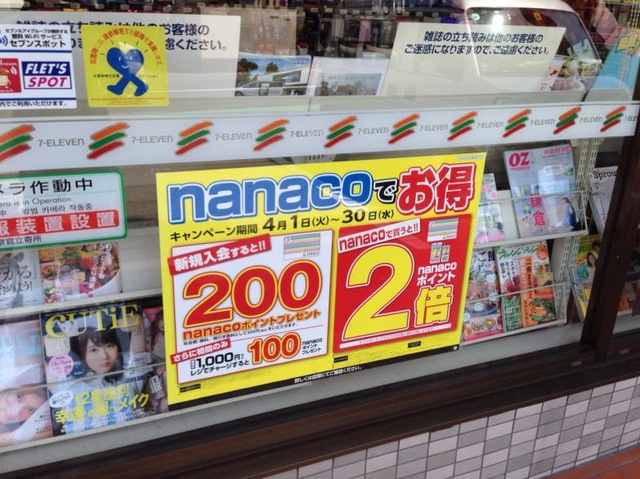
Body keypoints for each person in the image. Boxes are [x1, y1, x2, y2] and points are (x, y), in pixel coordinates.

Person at [50, 318, 152, 435]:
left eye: (109, 346)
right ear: (82, 354)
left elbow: (139, 350)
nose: (104, 356)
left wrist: (132, 322)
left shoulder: (128, 379)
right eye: (94, 350)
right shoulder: (68, 385)